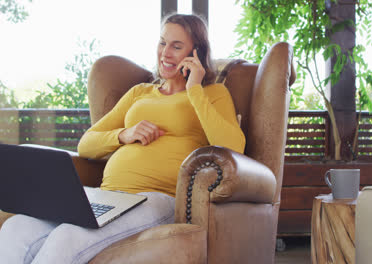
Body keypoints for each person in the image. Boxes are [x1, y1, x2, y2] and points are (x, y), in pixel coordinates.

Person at [0, 13, 245, 264]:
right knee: (16, 228)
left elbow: (233, 148)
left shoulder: (212, 94)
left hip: (158, 198)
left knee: (68, 237)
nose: (165, 53)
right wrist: (123, 134)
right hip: (107, 196)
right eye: (162, 43)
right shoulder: (140, 92)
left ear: (196, 53)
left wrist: (194, 89)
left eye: (177, 46)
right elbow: (86, 143)